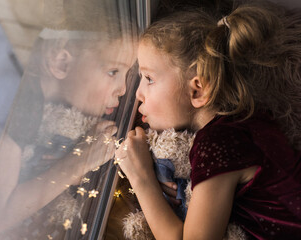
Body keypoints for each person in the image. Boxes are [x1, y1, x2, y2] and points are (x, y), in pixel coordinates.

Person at [115, 1, 301, 239]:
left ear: (198, 91)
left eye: (149, 78)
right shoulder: (245, 120)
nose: (138, 93)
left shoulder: (218, 143)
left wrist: (141, 177)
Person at [0, 0, 137, 239]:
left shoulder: (33, 99)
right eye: (113, 71)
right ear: (61, 62)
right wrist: (80, 161)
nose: (123, 89)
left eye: (127, 74)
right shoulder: (21, 104)